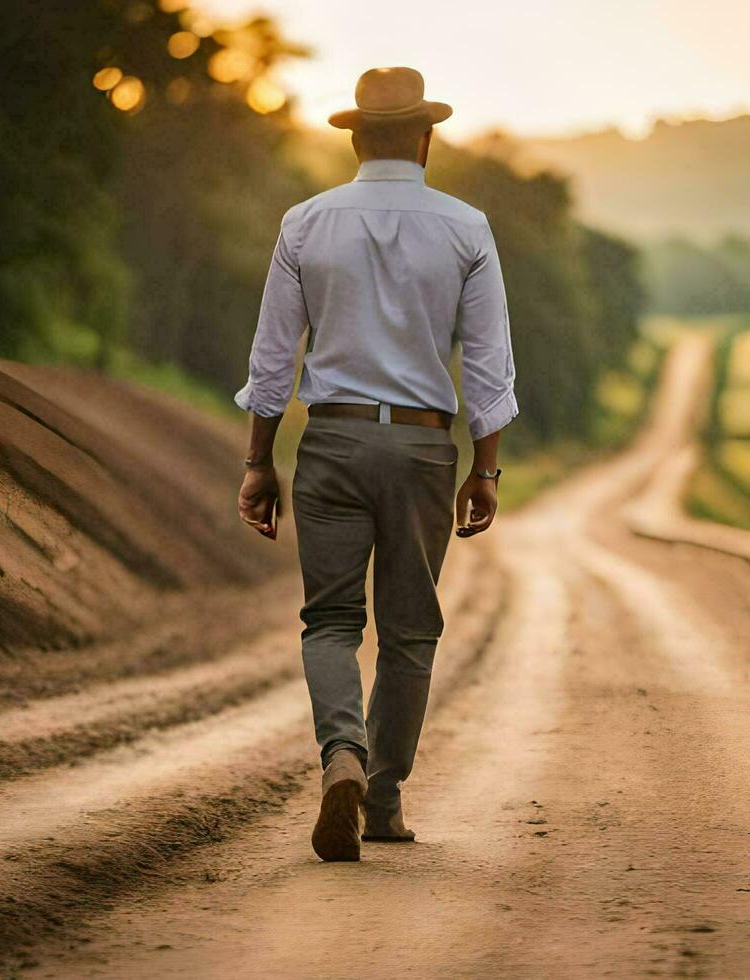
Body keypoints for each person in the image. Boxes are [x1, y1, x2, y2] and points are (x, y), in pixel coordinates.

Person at [234, 67, 518, 862]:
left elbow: (271, 358)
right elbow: (490, 369)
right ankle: (383, 799)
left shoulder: (305, 222)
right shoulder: (467, 228)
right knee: (409, 630)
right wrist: (484, 471)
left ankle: (342, 759)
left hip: (330, 441)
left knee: (328, 621)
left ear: (355, 139)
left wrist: (259, 461)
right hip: (424, 449)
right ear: (427, 139)